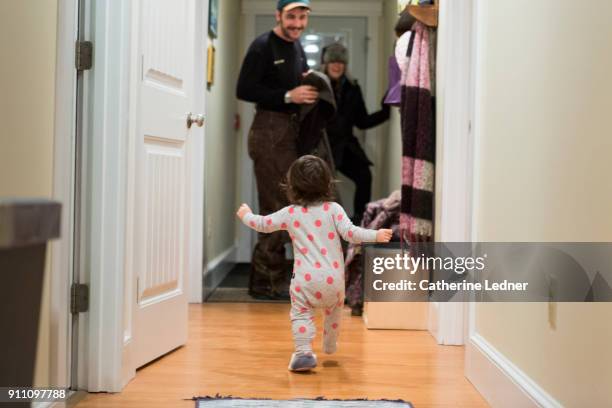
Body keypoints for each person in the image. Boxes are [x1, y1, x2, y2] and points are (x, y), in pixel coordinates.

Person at [236, 155, 392, 371]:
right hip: (334, 282)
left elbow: (263, 224)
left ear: (291, 186)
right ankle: (329, 344)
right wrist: (376, 235)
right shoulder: (334, 210)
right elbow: (351, 233)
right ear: (328, 184)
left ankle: (303, 353)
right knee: (334, 312)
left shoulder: (290, 214)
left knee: (300, 314)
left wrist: (246, 215)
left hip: (304, 281)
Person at [236, 0, 319, 300]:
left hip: (289, 132)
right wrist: (287, 95)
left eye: (302, 17)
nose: (297, 23)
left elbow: (302, 79)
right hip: (269, 131)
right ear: (278, 16)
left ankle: (276, 278)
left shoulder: (296, 48)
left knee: (290, 204)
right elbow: (243, 89)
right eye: (291, 17)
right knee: (275, 206)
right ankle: (266, 282)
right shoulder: (262, 47)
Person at [322, 43, 390, 225]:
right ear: (326, 64)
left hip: (346, 147)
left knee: (364, 176)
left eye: (341, 62)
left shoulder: (353, 88)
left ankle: (361, 222)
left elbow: (362, 121)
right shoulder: (318, 88)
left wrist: (386, 110)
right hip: (322, 146)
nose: (337, 65)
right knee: (320, 192)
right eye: (333, 61)